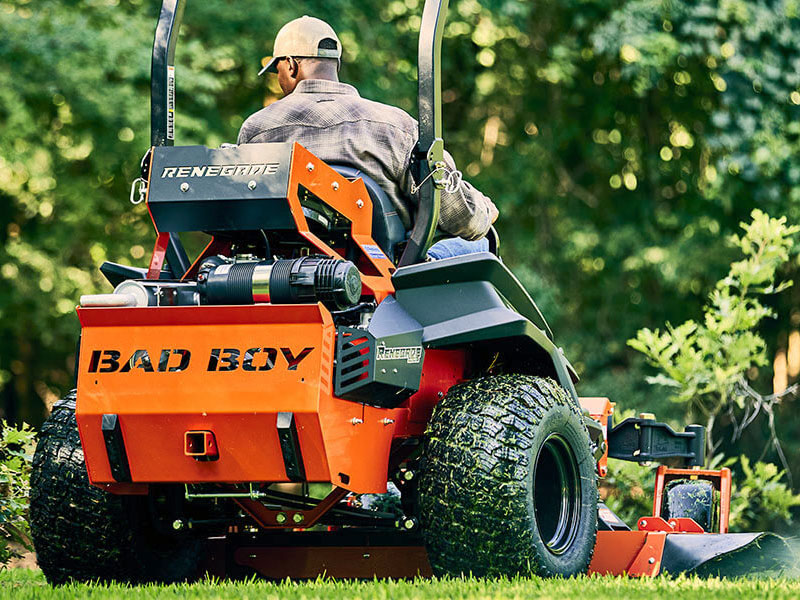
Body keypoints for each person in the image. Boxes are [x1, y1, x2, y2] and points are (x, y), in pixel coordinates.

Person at [238, 16, 498, 259]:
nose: (279, 79)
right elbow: (458, 216)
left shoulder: (256, 130)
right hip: (387, 274)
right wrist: (485, 210)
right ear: (336, 64)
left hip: (284, 272)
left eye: (278, 71)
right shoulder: (396, 126)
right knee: (483, 240)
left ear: (291, 66)